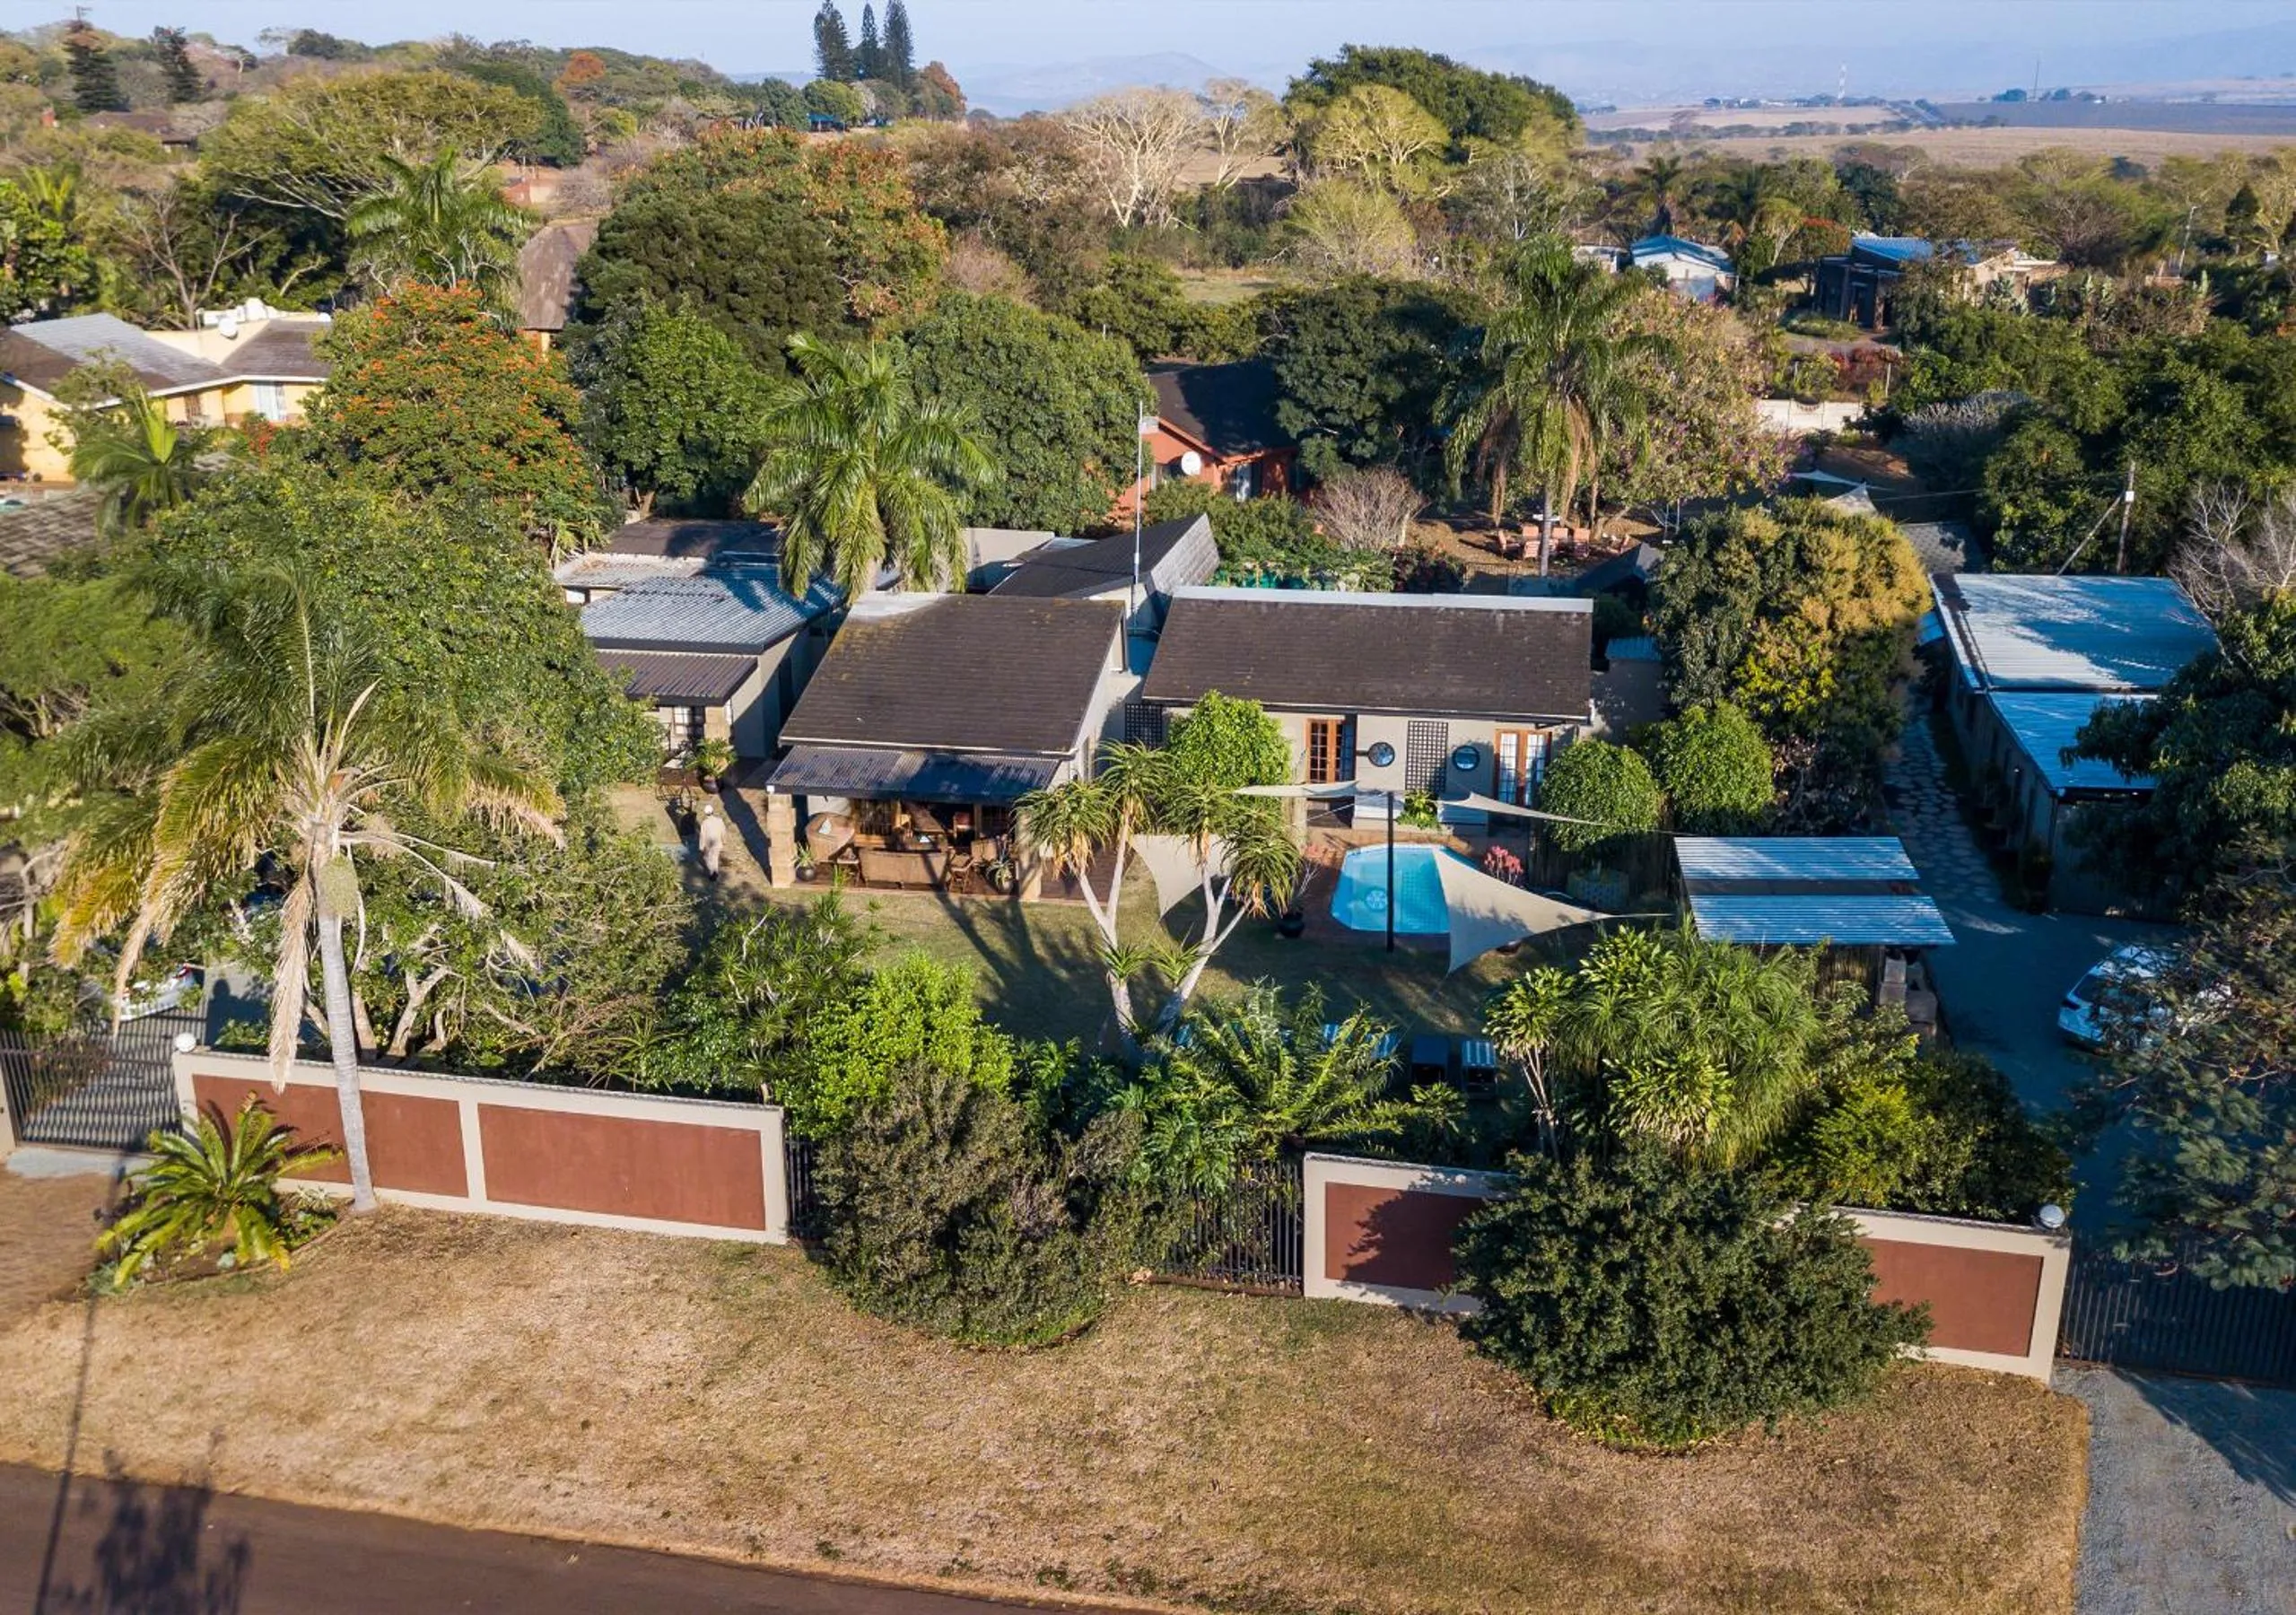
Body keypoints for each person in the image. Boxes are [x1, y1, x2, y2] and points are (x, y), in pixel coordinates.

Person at [697, 801, 726, 882]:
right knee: (715, 858)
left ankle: (712, 873)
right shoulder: (719, 821)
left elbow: (703, 836)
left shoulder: (704, 823)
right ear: (713, 812)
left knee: (708, 858)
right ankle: (715, 872)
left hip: (709, 845)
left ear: (706, 813)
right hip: (718, 843)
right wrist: (724, 840)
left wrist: (701, 846)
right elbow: (723, 831)